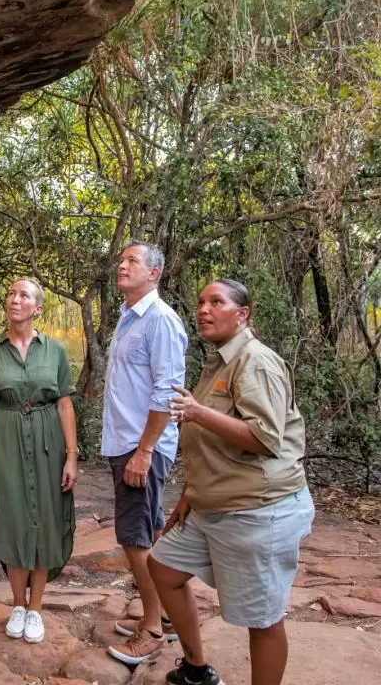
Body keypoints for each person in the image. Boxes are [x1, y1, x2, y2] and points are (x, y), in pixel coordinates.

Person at [148, 279, 313, 685]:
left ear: (242, 315)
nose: (204, 309)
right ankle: (197, 669)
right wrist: (189, 493)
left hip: (258, 509)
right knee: (163, 566)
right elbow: (211, 443)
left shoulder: (255, 362)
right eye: (201, 301)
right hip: (212, 504)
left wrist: (198, 412)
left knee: (263, 618)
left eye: (216, 302)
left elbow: (265, 438)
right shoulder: (220, 362)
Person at [0, 278, 79, 645]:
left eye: (24, 295)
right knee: (15, 519)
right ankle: (17, 604)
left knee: (46, 521)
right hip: (6, 438)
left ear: (38, 309)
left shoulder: (55, 351)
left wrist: (71, 456)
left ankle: (36, 608)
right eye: (10, 294)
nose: (14, 299)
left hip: (49, 437)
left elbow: (65, 403)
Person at [103, 241, 188, 666]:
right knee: (151, 532)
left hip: (142, 447)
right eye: (122, 259)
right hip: (127, 442)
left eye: (132, 261)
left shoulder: (161, 321)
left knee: (134, 538)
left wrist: (144, 451)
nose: (122, 264)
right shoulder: (128, 317)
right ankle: (170, 617)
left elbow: (167, 394)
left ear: (153, 273)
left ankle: (152, 628)